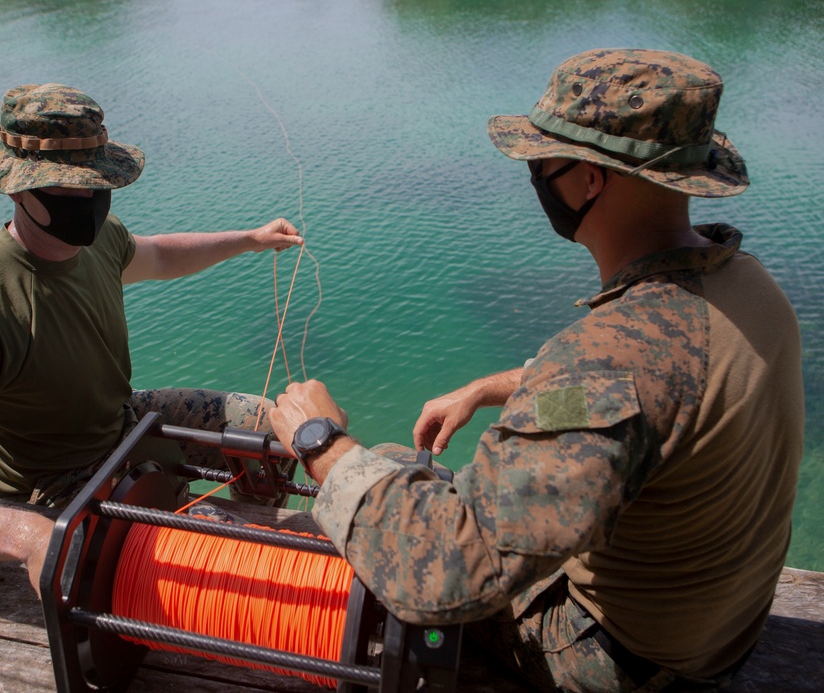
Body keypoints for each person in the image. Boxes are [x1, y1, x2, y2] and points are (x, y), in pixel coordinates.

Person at [270, 49, 804, 691]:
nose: (533, 173)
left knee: (380, 524)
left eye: (541, 158)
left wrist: (320, 443)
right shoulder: (747, 285)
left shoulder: (613, 355)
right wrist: (492, 387)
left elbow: (443, 577)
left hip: (625, 662)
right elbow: (662, 390)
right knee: (391, 469)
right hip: (714, 632)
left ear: (590, 179)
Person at [0, 83, 303, 596]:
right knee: (191, 570)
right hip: (55, 489)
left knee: (273, 430)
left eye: (95, 183)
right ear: (14, 188)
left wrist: (251, 240)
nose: (86, 200)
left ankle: (270, 543)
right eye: (63, 188)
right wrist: (30, 536)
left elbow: (161, 256)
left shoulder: (99, 240)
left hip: (120, 425)